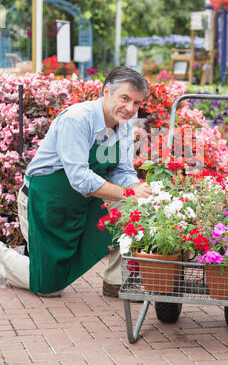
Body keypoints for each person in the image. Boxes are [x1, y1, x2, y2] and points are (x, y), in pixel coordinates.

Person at [0, 66, 152, 297]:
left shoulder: (125, 128)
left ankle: (117, 281)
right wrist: (128, 193)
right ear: (106, 92)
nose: (130, 108)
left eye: (137, 103)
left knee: (134, 207)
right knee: (49, 288)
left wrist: (135, 187)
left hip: (83, 201)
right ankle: (3, 256)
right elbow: (79, 177)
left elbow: (122, 171)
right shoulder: (77, 119)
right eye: (125, 98)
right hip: (46, 201)